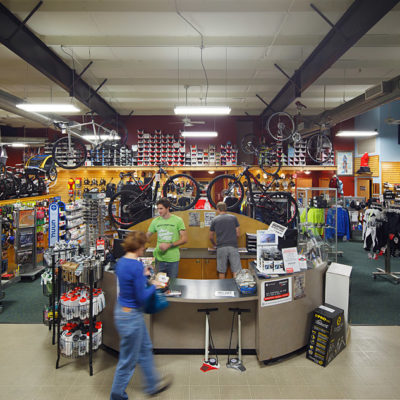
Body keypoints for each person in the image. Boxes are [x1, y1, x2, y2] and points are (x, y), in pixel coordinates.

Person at [110, 231, 171, 400]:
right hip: (131, 317)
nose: (144, 249)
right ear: (138, 247)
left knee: (144, 349)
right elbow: (141, 297)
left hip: (122, 311)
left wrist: (144, 278)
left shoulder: (122, 262)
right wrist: (155, 286)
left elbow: (129, 284)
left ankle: (152, 385)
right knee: (128, 361)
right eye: (143, 246)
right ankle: (116, 396)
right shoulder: (136, 266)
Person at [147, 197, 187, 278]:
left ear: (168, 208)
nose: (159, 211)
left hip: (173, 260)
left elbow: (184, 239)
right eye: (158, 209)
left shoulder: (178, 220)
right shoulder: (155, 221)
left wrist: (169, 245)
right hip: (159, 259)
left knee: (172, 285)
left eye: (161, 208)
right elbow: (147, 235)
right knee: (158, 285)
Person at [209, 202, 242, 279]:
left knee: (221, 271)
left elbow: (210, 236)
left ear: (218, 209)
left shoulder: (215, 220)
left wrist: (214, 244)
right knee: (236, 271)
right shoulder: (233, 218)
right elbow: (238, 234)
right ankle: (235, 288)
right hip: (233, 246)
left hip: (221, 247)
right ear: (225, 208)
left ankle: (222, 288)